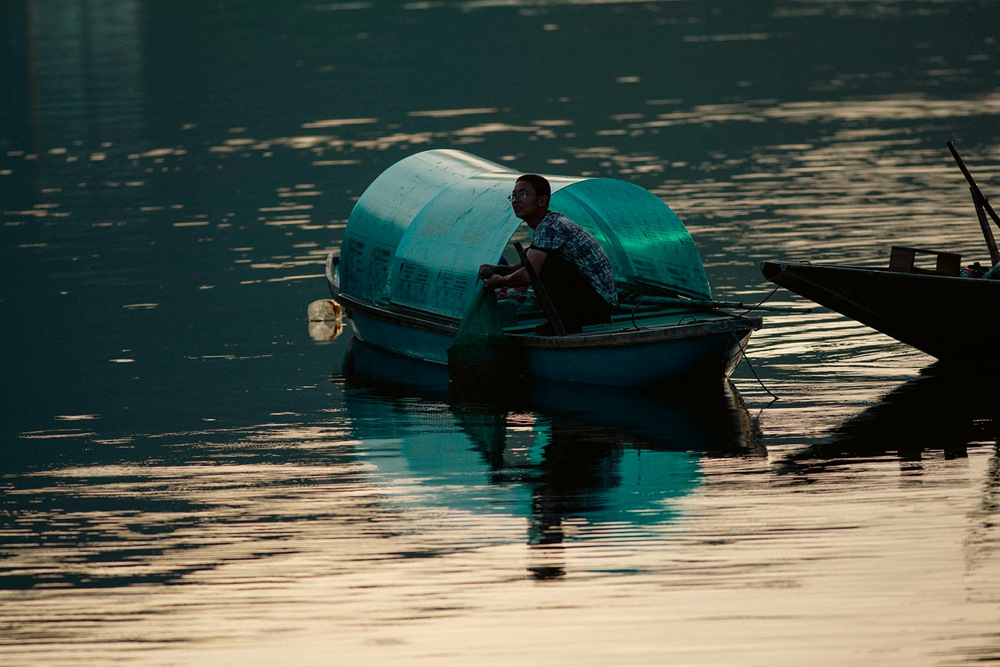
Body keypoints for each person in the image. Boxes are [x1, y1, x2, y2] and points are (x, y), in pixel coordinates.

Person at [478, 174, 618, 335]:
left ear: (542, 201)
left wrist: (500, 282)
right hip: (592, 300)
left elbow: (528, 275)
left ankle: (567, 323)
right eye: (513, 196)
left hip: (598, 306)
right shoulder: (548, 223)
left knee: (546, 264)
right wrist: (501, 270)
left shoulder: (549, 226)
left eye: (522, 195)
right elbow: (530, 266)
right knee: (533, 257)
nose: (515, 201)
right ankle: (562, 320)